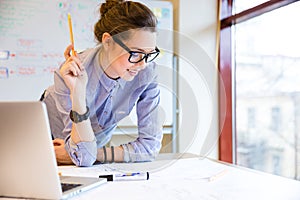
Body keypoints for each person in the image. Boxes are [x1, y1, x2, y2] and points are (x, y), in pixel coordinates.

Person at [41, 0, 163, 167]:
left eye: (150, 54)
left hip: (86, 150)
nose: (142, 64)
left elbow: (150, 147)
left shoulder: (146, 72)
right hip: (51, 142)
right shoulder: (72, 73)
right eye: (135, 53)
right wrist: (77, 93)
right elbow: (82, 157)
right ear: (107, 41)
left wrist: (93, 153)